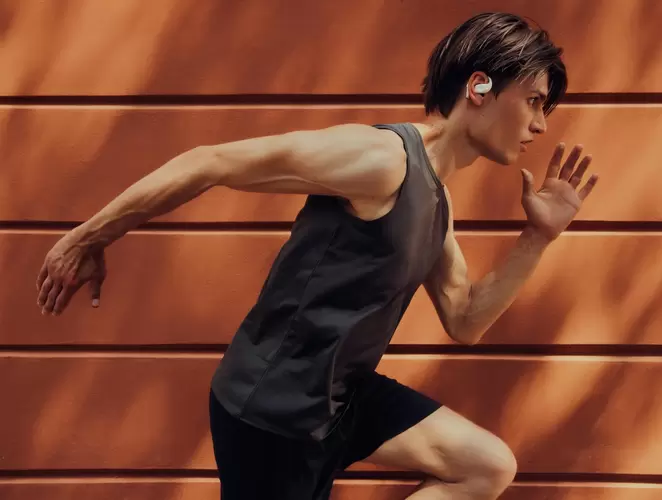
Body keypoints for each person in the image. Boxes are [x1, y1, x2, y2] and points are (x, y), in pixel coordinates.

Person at [35, 11, 598, 500]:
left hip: (339, 402)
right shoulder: (381, 160)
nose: (540, 124)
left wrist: (537, 238)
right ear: (479, 87)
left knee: (486, 466)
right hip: (272, 416)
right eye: (533, 101)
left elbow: (466, 319)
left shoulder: (437, 203)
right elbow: (209, 161)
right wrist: (88, 238)